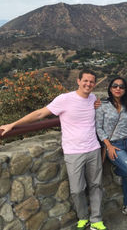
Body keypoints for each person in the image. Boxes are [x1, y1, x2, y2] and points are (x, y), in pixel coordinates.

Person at [0, 69, 108, 230]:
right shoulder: (65, 99)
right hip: (73, 152)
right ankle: (83, 217)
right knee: (77, 190)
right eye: (85, 80)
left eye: (92, 81)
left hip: (93, 149)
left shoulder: (93, 98)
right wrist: (13, 125)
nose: (88, 84)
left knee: (95, 185)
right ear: (78, 81)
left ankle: (97, 219)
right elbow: (39, 114)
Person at [96, 77, 127, 220]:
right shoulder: (102, 105)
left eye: (121, 86)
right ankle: (116, 170)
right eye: (115, 86)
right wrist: (108, 146)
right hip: (114, 145)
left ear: (125, 90)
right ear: (110, 88)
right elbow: (99, 128)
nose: (118, 88)